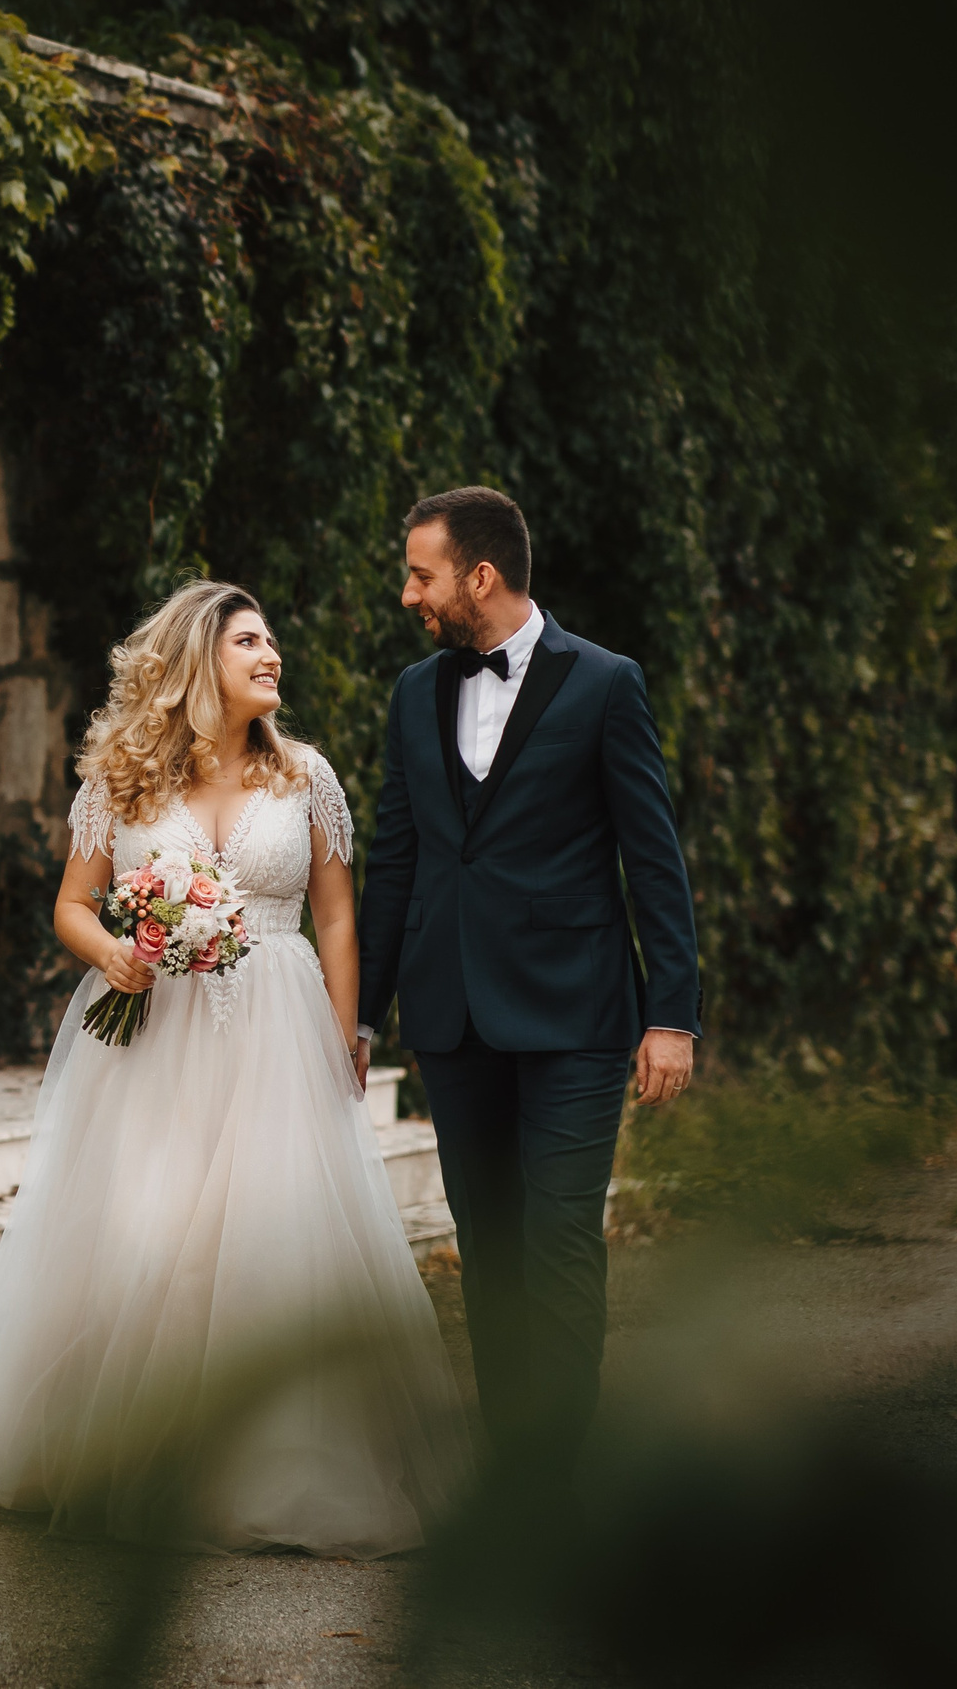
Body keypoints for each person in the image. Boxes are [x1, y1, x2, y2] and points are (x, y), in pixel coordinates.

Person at [0, 581, 469, 1556]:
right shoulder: (120, 779)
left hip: (278, 1027)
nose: (271, 654)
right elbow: (74, 905)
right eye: (249, 640)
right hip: (154, 1034)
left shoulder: (305, 776)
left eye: (271, 640)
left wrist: (349, 1032)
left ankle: (273, 1469)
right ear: (196, 660)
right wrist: (112, 952)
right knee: (147, 1230)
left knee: (270, 1240)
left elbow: (336, 913)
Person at [354, 486, 702, 1500]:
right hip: (452, 1014)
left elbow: (653, 857)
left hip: (573, 1015)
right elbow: (395, 860)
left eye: (420, 575)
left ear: (480, 575)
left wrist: (671, 1014)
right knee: (491, 1246)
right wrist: (361, 1013)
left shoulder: (605, 684)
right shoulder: (413, 692)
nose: (408, 594)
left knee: (557, 1243)